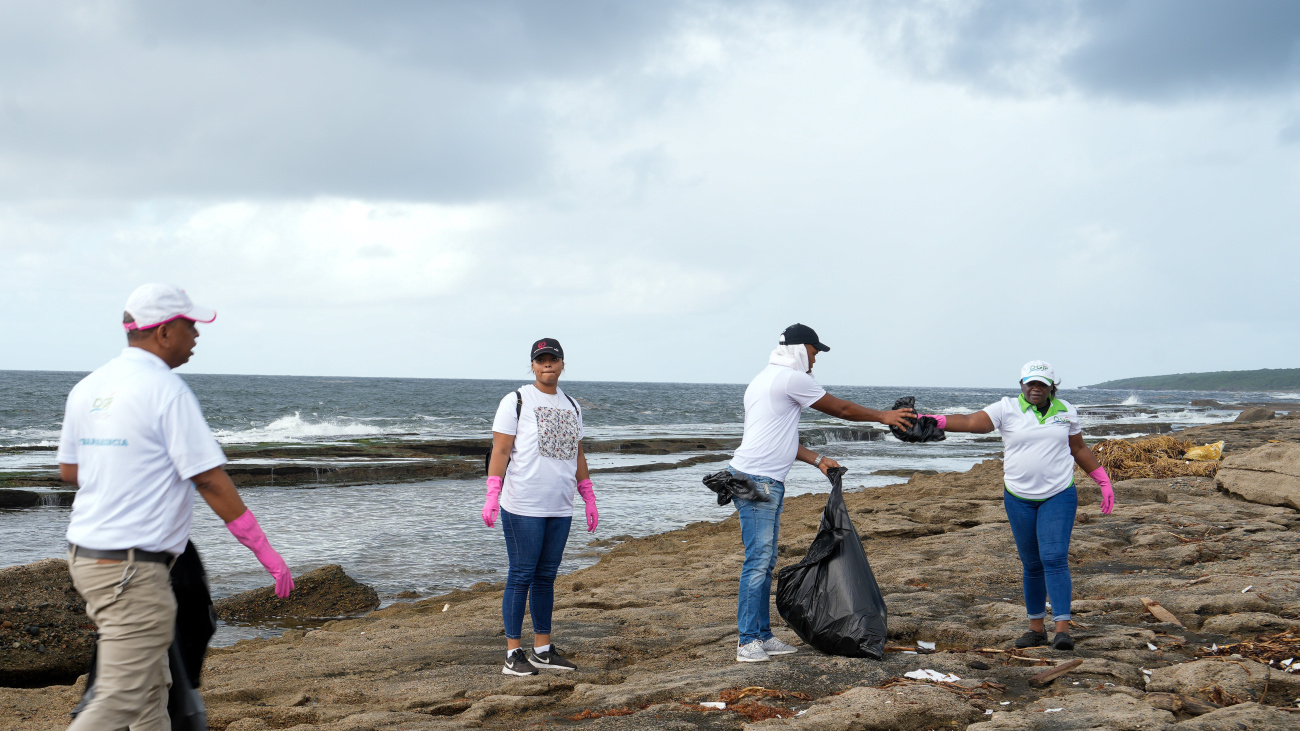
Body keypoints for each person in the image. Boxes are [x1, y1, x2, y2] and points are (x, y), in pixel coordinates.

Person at [57, 283, 295, 730]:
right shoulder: (166, 390)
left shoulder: (88, 387)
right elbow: (208, 478)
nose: (197, 336)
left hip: (88, 558)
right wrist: (266, 554)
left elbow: (71, 470)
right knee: (119, 699)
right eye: (190, 326)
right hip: (133, 568)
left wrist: (127, 471)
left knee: (151, 694)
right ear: (164, 332)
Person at [727, 324, 916, 663]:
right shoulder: (791, 377)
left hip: (757, 477)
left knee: (765, 560)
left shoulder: (764, 378)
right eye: (814, 353)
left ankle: (762, 635)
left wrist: (816, 459)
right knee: (758, 562)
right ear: (801, 349)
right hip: (758, 481)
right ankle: (746, 642)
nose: (815, 361)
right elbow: (840, 409)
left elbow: (776, 437)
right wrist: (883, 416)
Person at [919, 360, 1115, 651]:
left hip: (1058, 494)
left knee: (1055, 558)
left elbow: (1078, 448)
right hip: (1019, 497)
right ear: (1022, 384)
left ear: (1051, 387)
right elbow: (974, 422)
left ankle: (1062, 629)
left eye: (1041, 384)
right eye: (1030, 383)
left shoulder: (1066, 412)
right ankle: (1036, 629)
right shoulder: (1006, 408)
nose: (1035, 388)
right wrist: (934, 420)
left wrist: (1103, 480)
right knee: (1032, 564)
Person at [483, 338, 598, 676]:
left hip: (560, 506)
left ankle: (543, 650)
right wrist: (493, 492)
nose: (548, 364)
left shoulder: (573, 406)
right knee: (521, 574)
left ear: (562, 364)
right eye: (541, 359)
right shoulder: (516, 400)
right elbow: (501, 451)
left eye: (553, 359)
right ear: (532, 365)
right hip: (522, 505)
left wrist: (587, 495)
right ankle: (512, 654)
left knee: (546, 577)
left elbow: (577, 454)